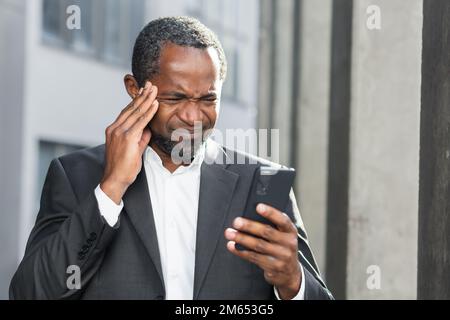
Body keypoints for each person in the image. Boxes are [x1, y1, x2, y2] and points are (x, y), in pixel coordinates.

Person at [9, 16, 332, 300]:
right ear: (135, 89)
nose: (193, 116)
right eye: (175, 98)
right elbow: (31, 293)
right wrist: (111, 189)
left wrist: (293, 283)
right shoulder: (75, 175)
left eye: (208, 99)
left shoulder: (263, 181)